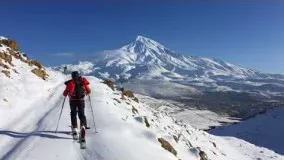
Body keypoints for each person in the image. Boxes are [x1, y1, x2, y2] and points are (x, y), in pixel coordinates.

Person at [63, 71, 91, 140]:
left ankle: (75, 128)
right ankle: (83, 126)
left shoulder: (70, 83)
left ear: (72, 76)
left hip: (72, 100)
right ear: (78, 75)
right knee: (81, 114)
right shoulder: (82, 82)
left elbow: (64, 93)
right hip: (81, 100)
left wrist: (67, 92)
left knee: (73, 113)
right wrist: (86, 92)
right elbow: (89, 91)